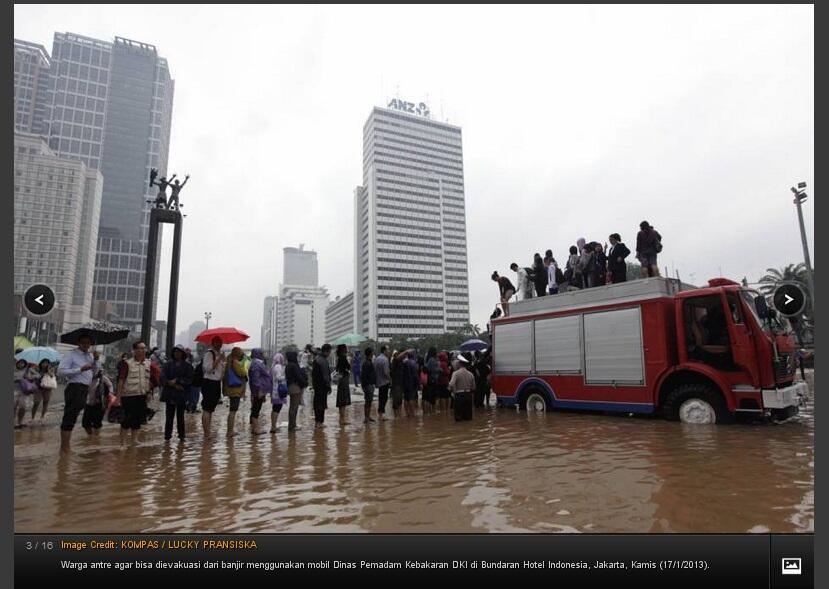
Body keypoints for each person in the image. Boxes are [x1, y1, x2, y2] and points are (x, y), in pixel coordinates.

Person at [57, 335, 102, 452]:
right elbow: (61, 372)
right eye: (84, 342)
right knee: (69, 417)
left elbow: (95, 372)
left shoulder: (90, 355)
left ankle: (66, 447)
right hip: (74, 387)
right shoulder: (71, 354)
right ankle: (64, 447)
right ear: (78, 342)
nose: (86, 345)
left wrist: (96, 360)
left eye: (88, 343)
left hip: (85, 389)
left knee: (75, 415)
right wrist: (80, 369)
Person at [114, 341, 154, 447]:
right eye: (140, 348)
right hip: (128, 396)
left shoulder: (148, 363)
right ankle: (122, 443)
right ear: (134, 350)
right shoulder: (127, 363)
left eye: (144, 348)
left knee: (138, 420)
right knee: (126, 420)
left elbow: (150, 379)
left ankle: (134, 440)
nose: (142, 350)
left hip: (141, 396)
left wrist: (149, 393)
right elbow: (121, 380)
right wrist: (117, 398)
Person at [161, 345, 194, 442]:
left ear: (183, 354)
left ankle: (181, 436)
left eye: (179, 352)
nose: (177, 354)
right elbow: (162, 377)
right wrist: (170, 383)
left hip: (181, 395)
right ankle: (167, 437)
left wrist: (178, 381)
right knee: (169, 416)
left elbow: (190, 379)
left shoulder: (188, 366)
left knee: (181, 416)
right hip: (170, 394)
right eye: (175, 352)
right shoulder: (167, 365)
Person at [200, 336, 226, 438]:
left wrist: (223, 362)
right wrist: (218, 359)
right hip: (209, 382)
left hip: (216, 383)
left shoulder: (218, 354)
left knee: (211, 409)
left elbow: (220, 372)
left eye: (220, 342)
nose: (219, 344)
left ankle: (208, 431)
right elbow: (208, 369)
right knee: (207, 408)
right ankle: (206, 433)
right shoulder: (209, 354)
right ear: (212, 343)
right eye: (217, 342)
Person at [222, 347, 248, 438]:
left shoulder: (229, 361)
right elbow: (242, 373)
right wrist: (244, 369)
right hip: (235, 390)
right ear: (237, 354)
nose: (242, 355)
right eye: (240, 353)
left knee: (232, 410)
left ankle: (230, 430)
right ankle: (229, 431)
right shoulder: (235, 362)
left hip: (231, 389)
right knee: (233, 410)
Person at [247, 348, 272, 436]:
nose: (264, 355)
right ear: (259, 354)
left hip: (259, 390)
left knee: (256, 408)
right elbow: (255, 379)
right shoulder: (256, 364)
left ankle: (255, 428)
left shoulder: (257, 363)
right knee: (256, 409)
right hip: (258, 391)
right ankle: (256, 429)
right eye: (263, 353)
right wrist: (260, 390)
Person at [83, 367, 112, 435]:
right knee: (85, 424)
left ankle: (95, 439)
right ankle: (90, 436)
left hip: (99, 403)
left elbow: (110, 386)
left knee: (97, 423)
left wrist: (109, 394)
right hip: (88, 403)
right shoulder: (86, 379)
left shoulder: (103, 378)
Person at [448, 354, 476, 422]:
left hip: (459, 396)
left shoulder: (455, 373)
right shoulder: (470, 374)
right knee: (468, 418)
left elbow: (451, 384)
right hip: (468, 396)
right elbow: (473, 387)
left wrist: (448, 388)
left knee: (459, 418)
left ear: (460, 364)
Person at [284, 350, 307, 432]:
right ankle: (292, 426)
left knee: (292, 407)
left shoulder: (288, 365)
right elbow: (298, 377)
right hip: (296, 387)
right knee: (294, 407)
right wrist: (304, 383)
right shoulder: (294, 365)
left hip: (290, 387)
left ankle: (292, 424)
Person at [311, 344, 332, 426]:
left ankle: (317, 421)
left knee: (317, 403)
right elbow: (325, 375)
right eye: (329, 352)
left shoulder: (317, 359)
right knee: (321, 404)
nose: (330, 354)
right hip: (322, 385)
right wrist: (328, 385)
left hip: (317, 385)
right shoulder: (322, 360)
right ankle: (320, 422)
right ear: (326, 351)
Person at [31, 358, 56, 423]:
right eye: (44, 363)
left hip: (48, 388)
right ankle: (32, 418)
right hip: (38, 388)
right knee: (36, 403)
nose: (45, 364)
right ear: (41, 363)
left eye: (47, 363)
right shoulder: (37, 369)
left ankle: (42, 417)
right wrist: (40, 375)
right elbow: (33, 377)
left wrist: (49, 371)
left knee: (45, 402)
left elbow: (52, 376)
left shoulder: (50, 369)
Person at [270, 352, 287, 433]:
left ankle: (273, 426)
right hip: (278, 390)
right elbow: (278, 377)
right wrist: (285, 377)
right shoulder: (278, 367)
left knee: (274, 409)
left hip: (274, 390)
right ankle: (273, 427)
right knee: (277, 408)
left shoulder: (273, 366)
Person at [335, 344, 351, 426]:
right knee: (343, 400)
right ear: (343, 349)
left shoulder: (339, 358)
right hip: (344, 379)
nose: (347, 349)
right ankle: (343, 419)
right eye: (346, 348)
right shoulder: (343, 358)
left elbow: (337, 369)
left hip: (341, 380)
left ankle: (341, 419)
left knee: (341, 399)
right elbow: (348, 367)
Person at [374, 345, 391, 421]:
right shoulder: (385, 359)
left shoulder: (377, 359)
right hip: (385, 381)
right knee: (384, 398)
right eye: (388, 350)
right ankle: (381, 415)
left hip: (379, 381)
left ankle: (380, 414)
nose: (389, 351)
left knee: (381, 398)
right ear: (384, 351)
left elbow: (375, 370)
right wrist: (390, 379)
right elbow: (386, 372)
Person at [361, 347, 377, 424]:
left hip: (369, 385)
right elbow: (364, 376)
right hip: (368, 385)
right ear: (370, 353)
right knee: (368, 402)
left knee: (369, 402)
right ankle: (366, 418)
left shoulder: (369, 362)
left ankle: (368, 416)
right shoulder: (367, 363)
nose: (373, 353)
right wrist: (364, 386)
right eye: (372, 352)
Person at [14, 359, 31, 429]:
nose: (21, 364)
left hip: (24, 392)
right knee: (13, 407)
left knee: (23, 407)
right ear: (17, 363)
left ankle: (20, 422)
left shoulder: (27, 370)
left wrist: (28, 377)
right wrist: (17, 379)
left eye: (23, 363)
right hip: (14, 391)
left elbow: (31, 378)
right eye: (20, 363)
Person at [423, 347, 440, 415]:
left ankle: (429, 412)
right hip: (433, 380)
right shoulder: (432, 360)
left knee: (429, 397)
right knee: (433, 398)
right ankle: (433, 412)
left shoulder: (428, 359)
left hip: (429, 380)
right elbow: (434, 370)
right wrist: (440, 370)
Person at [390, 350, 406, 418]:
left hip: (400, 383)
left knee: (399, 400)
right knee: (396, 400)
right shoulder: (395, 362)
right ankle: (396, 415)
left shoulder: (401, 363)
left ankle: (399, 414)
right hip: (396, 383)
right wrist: (405, 352)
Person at [404, 350, 420, 417]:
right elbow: (415, 375)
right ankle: (412, 413)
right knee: (411, 398)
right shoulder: (414, 363)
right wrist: (418, 383)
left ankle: (407, 413)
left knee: (406, 398)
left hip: (405, 382)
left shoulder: (405, 362)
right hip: (412, 382)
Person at [185, 349, 200, 413]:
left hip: (194, 380)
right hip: (189, 380)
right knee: (191, 394)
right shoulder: (185, 360)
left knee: (193, 394)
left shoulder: (192, 358)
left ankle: (192, 406)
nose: (188, 353)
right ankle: (190, 406)